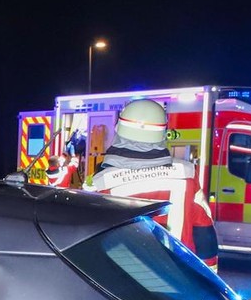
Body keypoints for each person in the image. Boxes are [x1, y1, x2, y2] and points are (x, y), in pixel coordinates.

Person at [88, 98, 220, 270]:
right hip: (180, 278)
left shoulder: (99, 183)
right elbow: (205, 231)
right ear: (163, 134)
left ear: (118, 129)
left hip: (125, 283)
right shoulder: (187, 174)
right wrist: (209, 278)